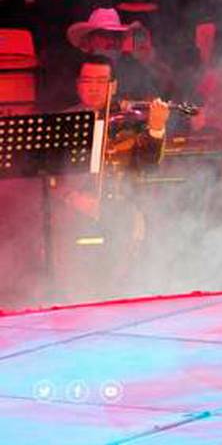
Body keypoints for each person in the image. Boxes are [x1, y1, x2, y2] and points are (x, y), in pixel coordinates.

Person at [51, 55, 170, 302]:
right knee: (59, 238)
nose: (94, 87)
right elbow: (48, 174)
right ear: (78, 85)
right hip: (72, 208)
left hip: (119, 207)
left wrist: (156, 129)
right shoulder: (63, 122)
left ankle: (117, 294)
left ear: (113, 86)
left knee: (128, 227)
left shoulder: (128, 122)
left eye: (101, 81)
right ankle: (71, 299)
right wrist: (72, 197)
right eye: (87, 81)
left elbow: (148, 163)